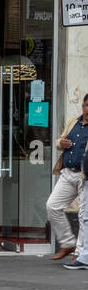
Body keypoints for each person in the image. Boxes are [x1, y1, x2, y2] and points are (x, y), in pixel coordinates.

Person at [50, 94, 88, 263]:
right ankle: (67, 243)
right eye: (86, 105)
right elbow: (60, 140)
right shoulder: (74, 121)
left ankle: (79, 253)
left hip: (84, 175)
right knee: (52, 206)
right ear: (83, 105)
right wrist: (61, 143)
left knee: (83, 215)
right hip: (68, 172)